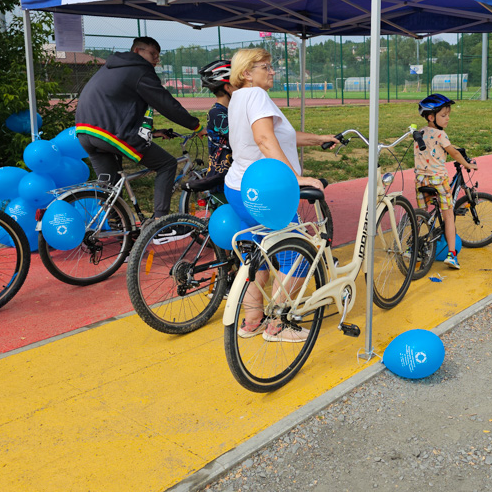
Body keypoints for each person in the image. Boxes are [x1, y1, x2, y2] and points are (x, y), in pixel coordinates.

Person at [224, 48, 339, 342]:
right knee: (298, 255)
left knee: (257, 255)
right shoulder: (257, 96)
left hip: (239, 186)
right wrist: (295, 178)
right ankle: (279, 323)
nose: (272, 71)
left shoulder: (238, 97)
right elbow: (264, 140)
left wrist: (319, 138)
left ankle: (252, 320)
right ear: (247, 72)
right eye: (266, 67)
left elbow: (277, 135)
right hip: (267, 191)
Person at [76, 37, 206, 223]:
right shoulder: (140, 70)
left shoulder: (111, 67)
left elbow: (123, 105)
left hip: (85, 131)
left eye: (158, 56)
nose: (156, 60)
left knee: (110, 185)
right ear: (137, 51)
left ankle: (119, 228)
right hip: (109, 132)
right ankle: (161, 224)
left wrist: (152, 132)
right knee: (167, 164)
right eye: (153, 54)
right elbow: (165, 103)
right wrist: (196, 126)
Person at [413, 93, 478, 270]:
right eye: (443, 115)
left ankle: (412, 247)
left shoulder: (420, 132)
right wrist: (468, 164)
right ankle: (451, 255)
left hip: (420, 179)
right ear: (431, 117)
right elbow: (454, 153)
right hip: (438, 180)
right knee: (448, 215)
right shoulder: (441, 135)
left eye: (448, 114)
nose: (447, 118)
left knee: (421, 213)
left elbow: (436, 149)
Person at [198, 59, 234, 190]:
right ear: (228, 88)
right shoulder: (217, 113)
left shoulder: (230, 110)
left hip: (233, 176)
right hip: (222, 179)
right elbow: (238, 138)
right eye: (237, 84)